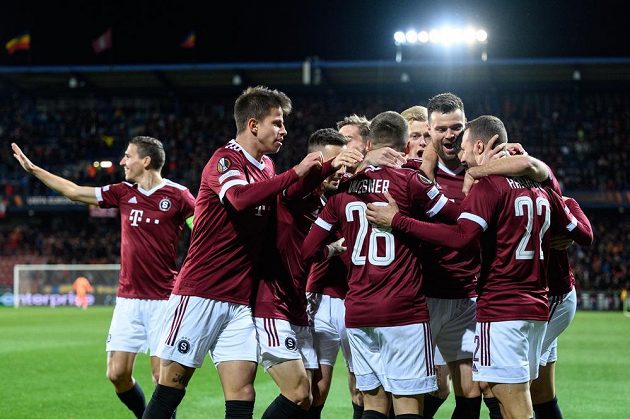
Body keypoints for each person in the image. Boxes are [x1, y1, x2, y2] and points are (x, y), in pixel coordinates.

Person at [366, 115, 593, 419]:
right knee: (507, 393)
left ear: (481, 145)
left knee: (513, 403)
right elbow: (579, 231)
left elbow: (461, 237)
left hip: (501, 309)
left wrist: (398, 221)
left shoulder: (489, 188)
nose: (460, 156)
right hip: (536, 307)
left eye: (464, 147)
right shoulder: (542, 187)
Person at [142, 86, 323, 419]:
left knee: (242, 392)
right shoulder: (225, 159)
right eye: (277, 123)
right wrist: (295, 171)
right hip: (200, 292)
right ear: (253, 125)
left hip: (240, 301)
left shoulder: (267, 166)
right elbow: (239, 198)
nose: (284, 131)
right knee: (172, 385)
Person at [12, 136, 196, 418]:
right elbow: (74, 191)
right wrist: (34, 170)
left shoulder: (179, 195)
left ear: (145, 161)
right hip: (128, 300)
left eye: (127, 156)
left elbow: (204, 231)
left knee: (162, 379)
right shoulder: (122, 192)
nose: (122, 161)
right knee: (117, 374)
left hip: (164, 301)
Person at [302, 111, 461, 419]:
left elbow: (306, 248)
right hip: (404, 312)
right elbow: (459, 223)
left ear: (371, 143)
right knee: (406, 405)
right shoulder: (412, 182)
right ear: (403, 148)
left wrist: (333, 250)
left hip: (359, 311)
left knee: (372, 404)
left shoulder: (343, 190)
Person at [464, 156, 593, 419]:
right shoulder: (543, 200)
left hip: (548, 298)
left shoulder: (552, 199)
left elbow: (585, 234)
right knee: (540, 392)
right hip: (543, 299)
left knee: (499, 384)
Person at [253, 128, 363, 418]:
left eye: (342, 164)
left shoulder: (322, 202)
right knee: (299, 393)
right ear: (315, 162)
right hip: (274, 304)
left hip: (297, 305)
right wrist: (330, 165)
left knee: (310, 395)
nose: (339, 171)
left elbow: (303, 251)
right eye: (333, 164)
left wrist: (330, 251)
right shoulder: (297, 193)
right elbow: (294, 188)